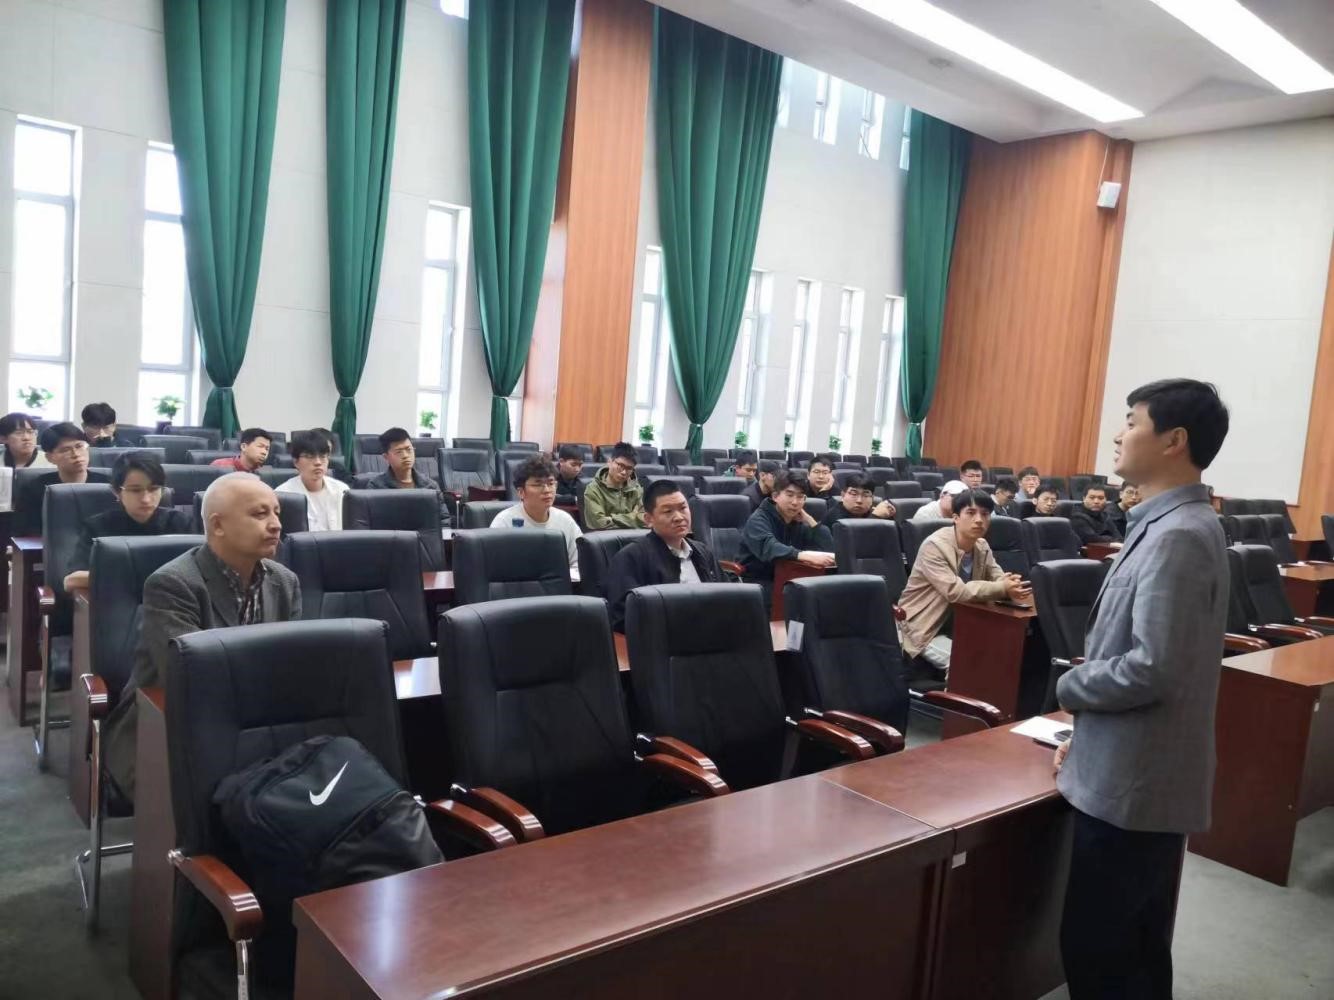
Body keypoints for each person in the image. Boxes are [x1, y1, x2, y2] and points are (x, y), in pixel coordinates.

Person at [1053, 378, 1230, 999]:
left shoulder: (1179, 534)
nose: (1118, 434)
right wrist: (1086, 740)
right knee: (1134, 952)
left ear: (1173, 440)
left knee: (1103, 955)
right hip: (1131, 770)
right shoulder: (1172, 523)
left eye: (1131, 421)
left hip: (1133, 791)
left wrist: (1071, 686)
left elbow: (1152, 667)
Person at [101, 472, 301, 805]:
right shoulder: (173, 584)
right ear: (217, 525)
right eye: (260, 514)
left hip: (255, 724)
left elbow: (292, 663)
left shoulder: (285, 581)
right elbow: (191, 678)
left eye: (277, 512)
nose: (276, 524)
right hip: (168, 726)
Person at [897, 489, 1031, 673]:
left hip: (964, 622)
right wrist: (1002, 588)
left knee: (1011, 651)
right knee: (965, 661)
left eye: (985, 514)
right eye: (971, 513)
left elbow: (997, 575)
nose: (979, 520)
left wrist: (1010, 584)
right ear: (956, 518)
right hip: (925, 627)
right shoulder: (934, 546)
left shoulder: (981, 545)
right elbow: (956, 592)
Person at [62, 453, 194, 592]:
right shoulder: (97, 527)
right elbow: (71, 580)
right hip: (116, 601)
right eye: (135, 490)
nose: (146, 499)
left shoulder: (182, 523)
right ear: (116, 492)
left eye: (153, 489)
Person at [604, 479, 724, 631]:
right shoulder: (630, 558)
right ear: (649, 520)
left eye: (683, 508)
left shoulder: (702, 551)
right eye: (668, 511)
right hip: (666, 636)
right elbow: (624, 617)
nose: (679, 517)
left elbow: (725, 594)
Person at [738, 469, 836, 594]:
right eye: (790, 495)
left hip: (792, 577)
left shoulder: (800, 521)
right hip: (759, 582)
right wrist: (802, 555)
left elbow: (828, 549)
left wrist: (811, 521)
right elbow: (769, 546)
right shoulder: (759, 519)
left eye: (800, 497)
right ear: (775, 496)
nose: (795, 502)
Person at [13, 423, 111, 537]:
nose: (76, 454)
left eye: (79, 446)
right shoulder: (34, 489)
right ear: (50, 458)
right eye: (65, 450)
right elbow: (26, 532)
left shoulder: (108, 485)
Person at [490, 455, 582, 569]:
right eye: (538, 485)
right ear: (521, 492)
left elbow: (579, 562)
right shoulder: (504, 522)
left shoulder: (565, 520)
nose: (547, 490)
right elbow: (495, 569)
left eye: (551, 483)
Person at [364, 427, 451, 526]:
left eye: (409, 449)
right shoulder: (376, 487)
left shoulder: (430, 486)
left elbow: (444, 520)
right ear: (386, 457)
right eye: (399, 452)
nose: (405, 455)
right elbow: (370, 523)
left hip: (424, 535)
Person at [275, 430, 348, 531]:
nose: (318, 462)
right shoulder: (283, 494)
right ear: (296, 462)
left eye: (323, 456)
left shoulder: (342, 490)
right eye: (310, 457)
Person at [582, 442, 646, 530]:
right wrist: (632, 516)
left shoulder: (636, 488)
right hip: (604, 537)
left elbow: (645, 519)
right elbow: (598, 523)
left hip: (633, 536)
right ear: (609, 462)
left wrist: (611, 519)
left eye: (629, 468)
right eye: (620, 465)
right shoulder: (593, 489)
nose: (624, 472)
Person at [822, 472, 896, 525]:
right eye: (854, 494)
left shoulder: (870, 512)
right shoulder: (834, 516)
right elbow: (855, 539)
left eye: (866, 495)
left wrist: (889, 516)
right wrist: (875, 517)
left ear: (872, 498)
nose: (859, 500)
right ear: (843, 495)